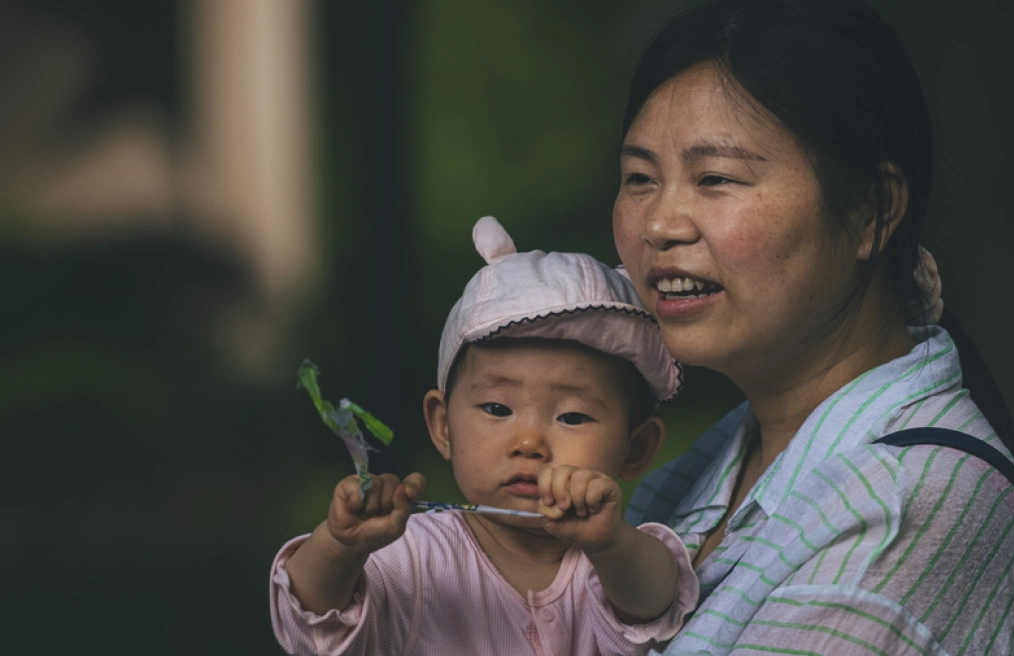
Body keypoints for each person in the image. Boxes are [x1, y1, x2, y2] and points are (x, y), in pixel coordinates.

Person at [612, 0, 1014, 653]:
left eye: (715, 178)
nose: (659, 224)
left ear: (871, 211)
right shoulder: (695, 476)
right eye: (639, 178)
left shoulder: (905, 510)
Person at [269, 216, 698, 655]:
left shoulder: (616, 561)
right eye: (497, 409)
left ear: (635, 447)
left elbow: (657, 605)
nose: (529, 444)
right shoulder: (414, 555)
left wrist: (612, 544)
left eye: (572, 417)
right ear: (443, 425)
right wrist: (339, 549)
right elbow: (311, 624)